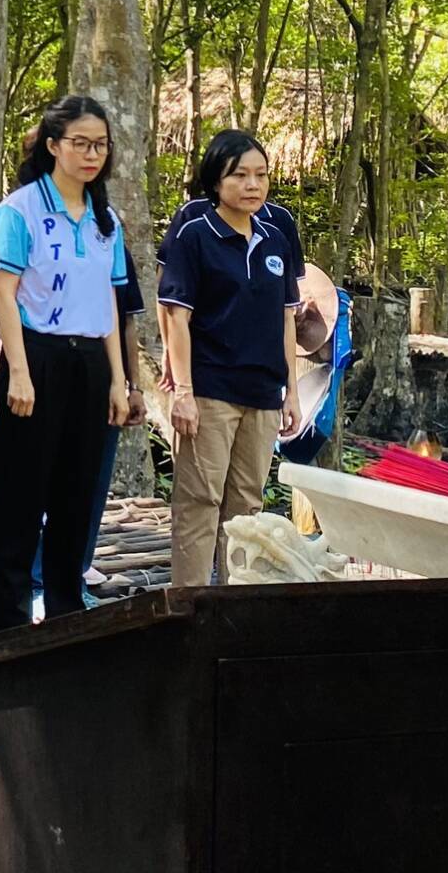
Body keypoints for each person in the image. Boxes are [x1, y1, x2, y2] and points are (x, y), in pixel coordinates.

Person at [0, 98, 131, 633]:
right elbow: (4, 293)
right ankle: (12, 624)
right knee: (21, 495)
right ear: (53, 145)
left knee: (77, 492)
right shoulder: (19, 210)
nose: (93, 154)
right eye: (81, 143)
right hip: (35, 355)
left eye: (101, 145)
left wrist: (119, 380)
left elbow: (110, 301)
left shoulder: (105, 219)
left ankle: (67, 616)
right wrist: (17, 371)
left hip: (90, 361)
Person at [159, 129, 303, 588]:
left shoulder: (275, 239)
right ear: (216, 179)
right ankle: (192, 606)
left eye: (260, 175)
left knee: (248, 507)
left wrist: (292, 391)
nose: (252, 185)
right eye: (239, 174)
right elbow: (175, 315)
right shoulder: (194, 235)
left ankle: (236, 604)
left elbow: (286, 320)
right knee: (200, 501)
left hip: (263, 393)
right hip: (210, 390)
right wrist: (183, 392)